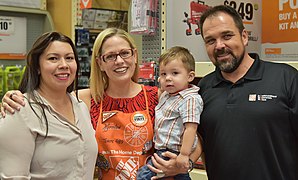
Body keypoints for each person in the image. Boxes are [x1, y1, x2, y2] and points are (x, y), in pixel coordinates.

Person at [1, 28, 200, 179]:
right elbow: (50, 100)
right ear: (100, 63)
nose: (119, 61)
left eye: (125, 53)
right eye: (110, 56)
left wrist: (183, 163)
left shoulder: (159, 96)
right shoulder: (84, 100)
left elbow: (196, 138)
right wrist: (14, 98)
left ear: (135, 55)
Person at [196, 5, 297, 180]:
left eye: (227, 36)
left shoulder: (286, 78)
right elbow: (202, 144)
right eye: (210, 40)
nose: (219, 46)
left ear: (244, 37)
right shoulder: (204, 88)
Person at [0, 31, 98, 179]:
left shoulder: (81, 107)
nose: (64, 65)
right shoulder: (20, 110)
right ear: (37, 67)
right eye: (53, 58)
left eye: (69, 58)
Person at [137, 46, 203, 180]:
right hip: (162, 150)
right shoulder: (167, 95)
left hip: (173, 152)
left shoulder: (189, 98)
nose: (168, 78)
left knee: (143, 176)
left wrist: (184, 155)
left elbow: (191, 128)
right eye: (163, 74)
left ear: (190, 76)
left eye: (175, 73)